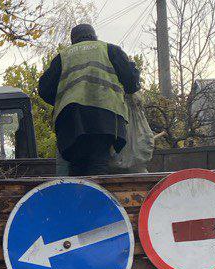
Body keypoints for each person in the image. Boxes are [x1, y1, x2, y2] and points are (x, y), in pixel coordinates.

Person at [37, 22, 141, 175]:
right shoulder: (109, 50)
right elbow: (132, 81)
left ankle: (79, 194)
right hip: (104, 118)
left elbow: (44, 89)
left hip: (70, 120)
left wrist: (63, 100)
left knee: (76, 166)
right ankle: (96, 195)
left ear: (73, 40)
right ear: (94, 37)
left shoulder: (63, 57)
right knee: (99, 162)